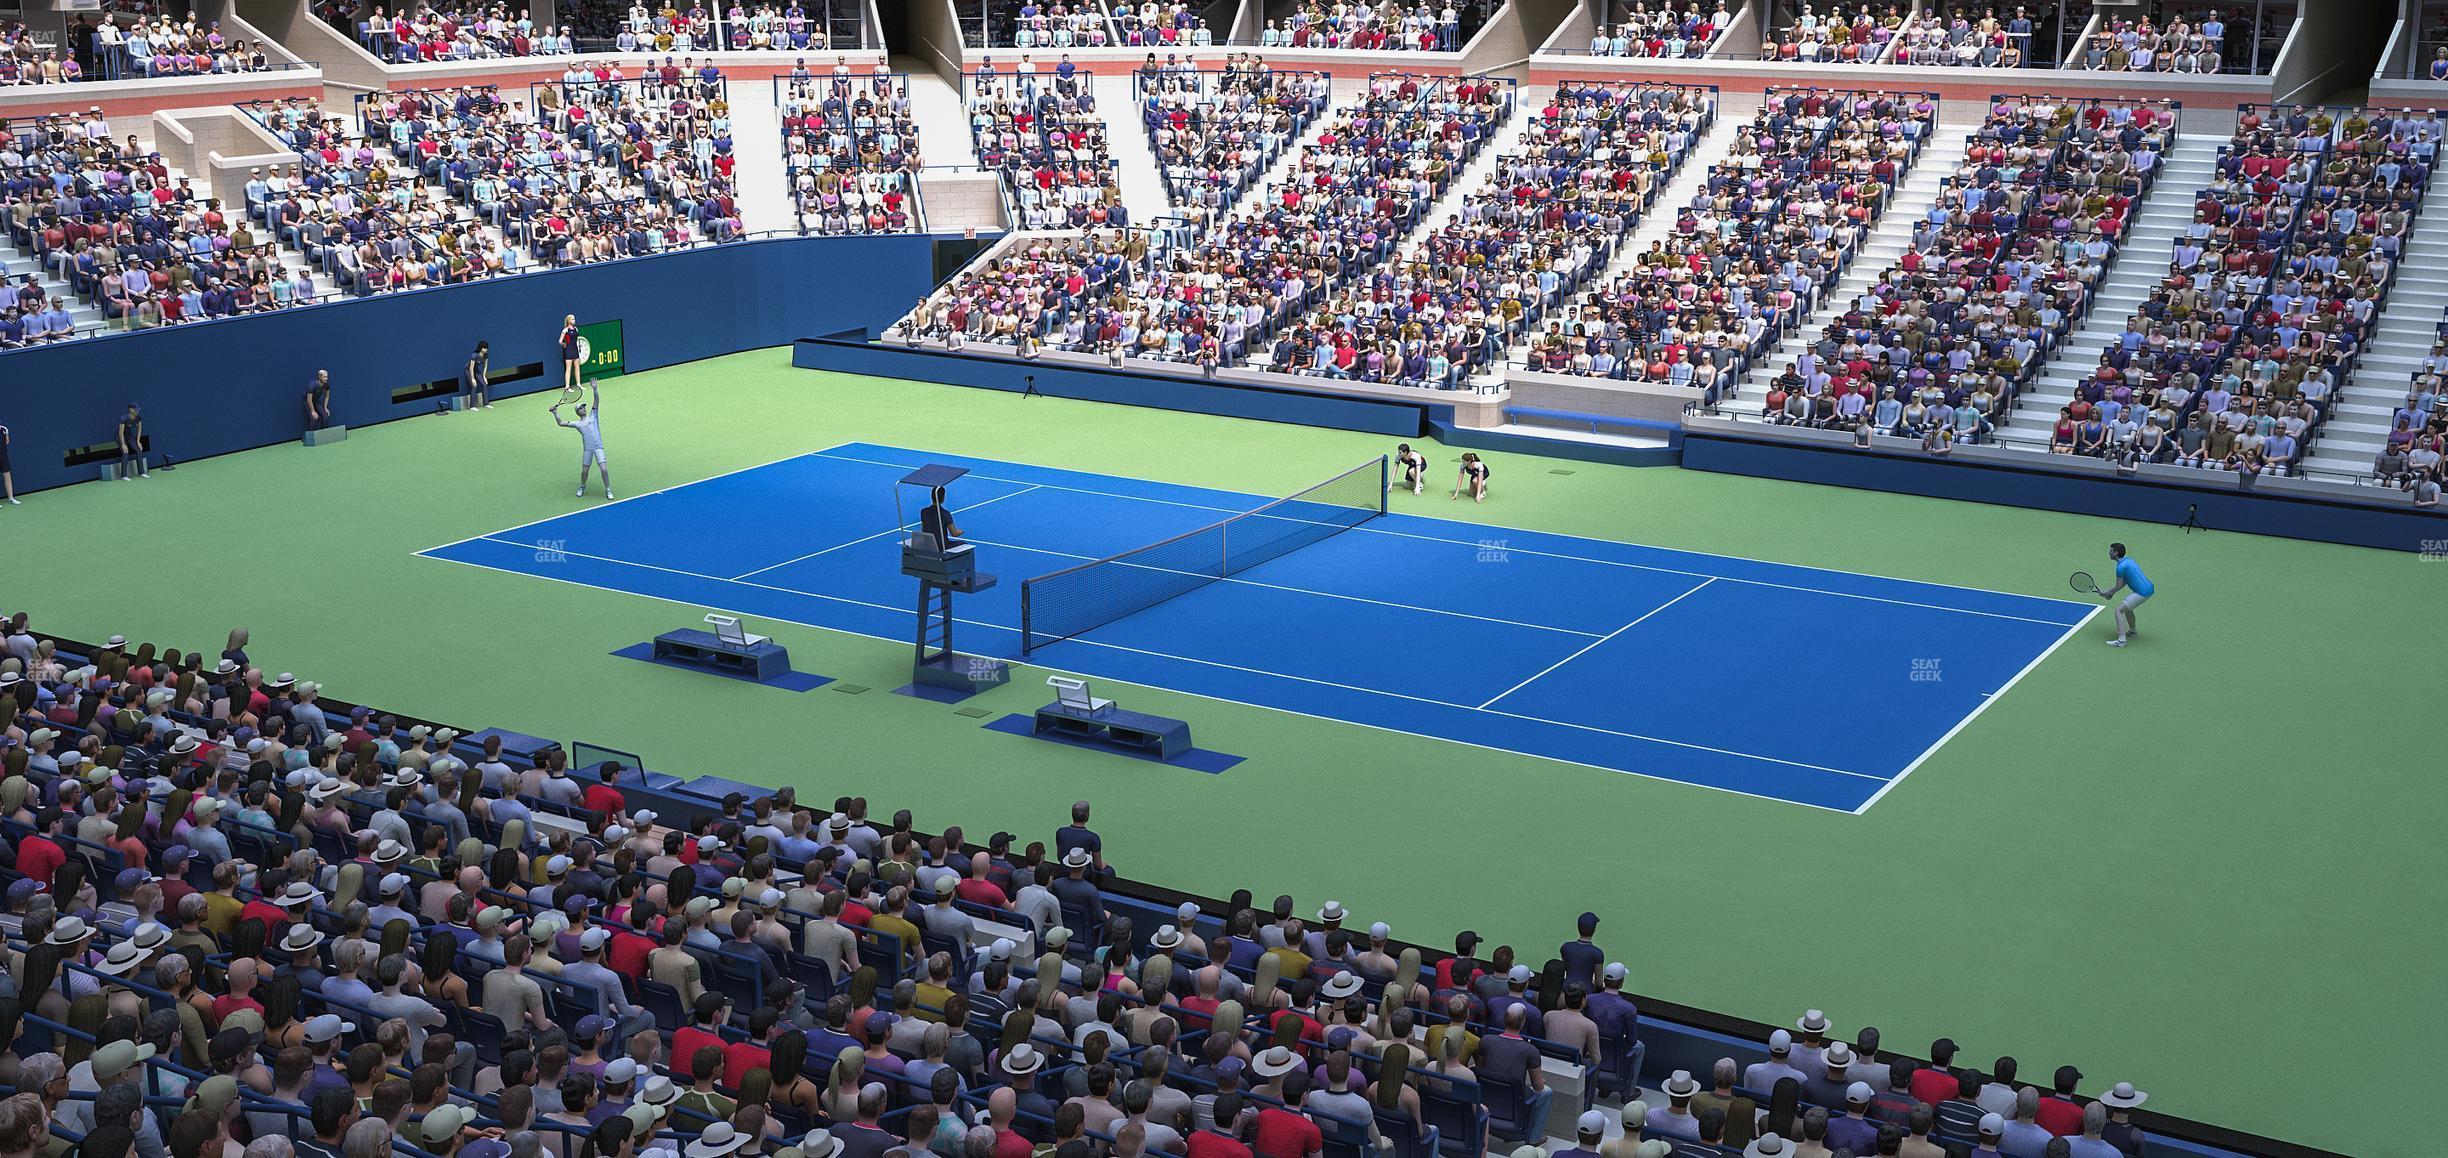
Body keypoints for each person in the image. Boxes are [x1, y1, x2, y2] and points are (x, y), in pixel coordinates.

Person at [552, 382, 612, 500]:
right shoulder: (577, 424)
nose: (583, 408)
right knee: (584, 471)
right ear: (577, 412)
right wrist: (555, 413)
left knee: (604, 469)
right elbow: (561, 423)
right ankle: (582, 486)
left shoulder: (593, 416)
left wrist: (595, 389)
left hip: (598, 447)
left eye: (584, 407)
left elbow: (596, 401)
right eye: (580, 408)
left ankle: (608, 489)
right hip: (588, 450)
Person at [2097, 542, 2153, 647]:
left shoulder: (2120, 568)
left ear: (2116, 553)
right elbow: (2124, 582)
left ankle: (2121, 640)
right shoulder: (2129, 561)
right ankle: (2133, 631)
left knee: (2118, 610)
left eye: (2110, 551)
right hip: (2149, 588)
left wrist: (2107, 593)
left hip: (2142, 592)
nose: (2108, 553)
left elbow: (2118, 586)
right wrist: (2109, 593)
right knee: (2127, 608)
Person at [116, 402, 147, 480]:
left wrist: (138, 441)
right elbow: (120, 432)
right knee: (125, 452)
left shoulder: (138, 418)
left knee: (139, 450)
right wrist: (123, 444)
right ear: (130, 410)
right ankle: (124, 476)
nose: (137, 411)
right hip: (119, 435)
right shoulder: (123, 418)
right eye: (135, 409)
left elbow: (139, 430)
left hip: (128, 435)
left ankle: (142, 472)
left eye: (138, 409)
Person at [559, 315, 583, 393]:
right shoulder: (565, 330)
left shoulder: (576, 329)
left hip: (575, 350)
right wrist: (564, 344)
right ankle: (567, 387)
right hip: (568, 350)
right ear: (569, 321)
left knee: (577, 367)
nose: (574, 320)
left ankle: (578, 384)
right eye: (573, 319)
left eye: (574, 319)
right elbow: (560, 341)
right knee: (568, 368)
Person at [465, 342, 493, 410]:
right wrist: (472, 378)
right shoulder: (474, 355)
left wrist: (484, 377)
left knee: (484, 384)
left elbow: (485, 366)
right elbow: (471, 368)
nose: (486, 349)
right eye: (485, 348)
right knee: (474, 385)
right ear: (481, 348)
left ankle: (486, 403)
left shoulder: (486, 355)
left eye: (487, 348)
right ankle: (472, 406)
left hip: (476, 370)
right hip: (468, 370)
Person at [0, 421, 16, 504]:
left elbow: (7, 441)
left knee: (7, 476)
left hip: (3, 457)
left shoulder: (4, 429)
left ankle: (11, 498)